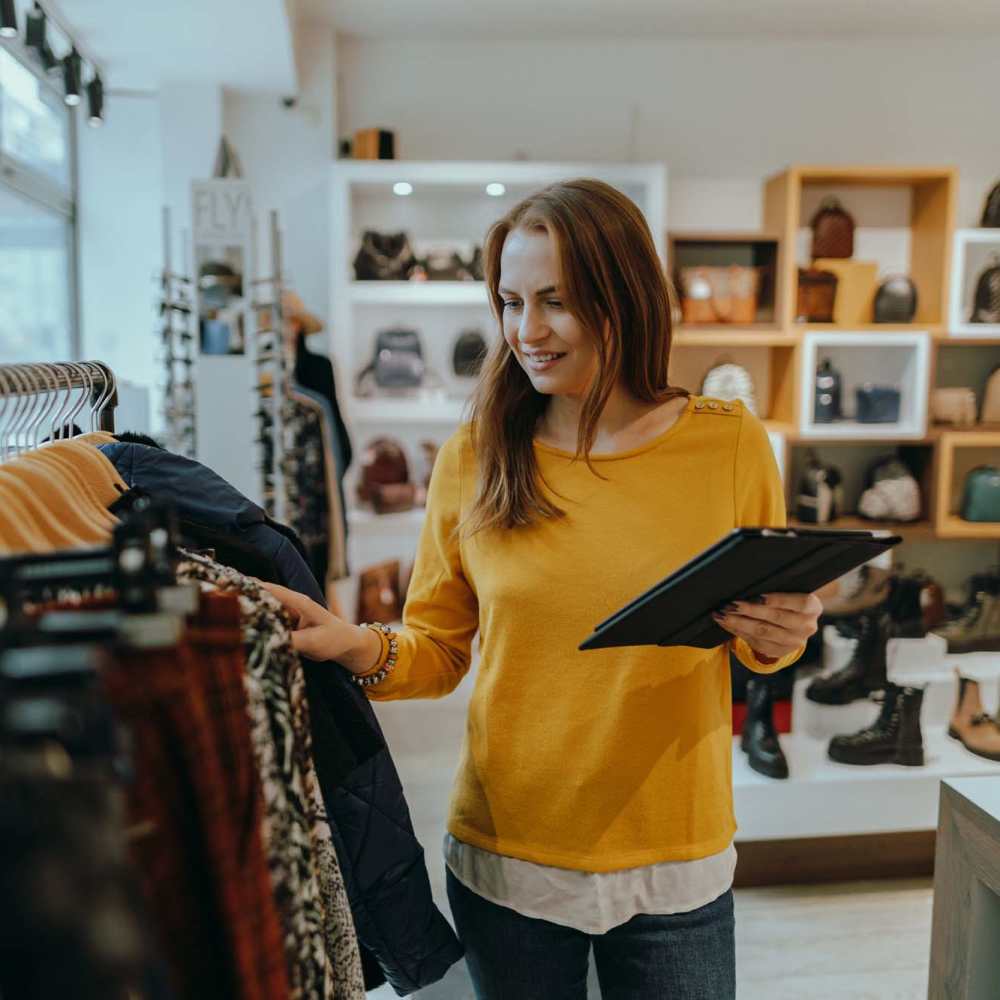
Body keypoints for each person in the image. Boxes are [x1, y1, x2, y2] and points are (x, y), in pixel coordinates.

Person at [264, 179, 821, 1000]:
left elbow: (760, 640)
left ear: (622, 297)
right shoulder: (476, 457)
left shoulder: (729, 445)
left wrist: (783, 636)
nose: (527, 331)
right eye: (511, 301)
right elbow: (438, 651)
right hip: (511, 856)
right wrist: (356, 644)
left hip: (676, 859)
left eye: (556, 301)